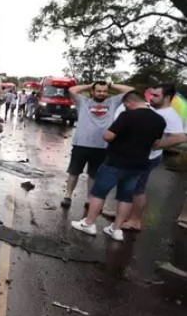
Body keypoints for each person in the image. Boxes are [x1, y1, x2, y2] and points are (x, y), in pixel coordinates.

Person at [71, 91, 166, 242]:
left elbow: (108, 136)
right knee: (126, 197)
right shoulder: (159, 120)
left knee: (99, 193)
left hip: (115, 162)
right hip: (138, 165)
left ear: (129, 103)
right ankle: (116, 229)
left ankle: (89, 224)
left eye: (125, 105)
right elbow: (156, 143)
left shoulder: (127, 116)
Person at [121, 84, 187, 231]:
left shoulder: (170, 115)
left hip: (148, 158)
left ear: (167, 97)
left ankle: (135, 220)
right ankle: (124, 212)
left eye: (156, 96)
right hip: (138, 156)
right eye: (151, 95)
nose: (151, 98)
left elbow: (180, 137)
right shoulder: (155, 110)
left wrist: (157, 145)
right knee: (129, 187)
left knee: (138, 190)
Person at [61, 81, 134, 209]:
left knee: (94, 175)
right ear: (92, 92)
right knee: (74, 172)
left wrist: (111, 85)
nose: (102, 93)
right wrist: (90, 84)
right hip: (81, 144)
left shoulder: (113, 102)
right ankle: (67, 196)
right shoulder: (83, 101)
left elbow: (131, 90)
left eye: (105, 91)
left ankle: (90, 199)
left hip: (102, 146)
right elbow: (72, 90)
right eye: (99, 91)